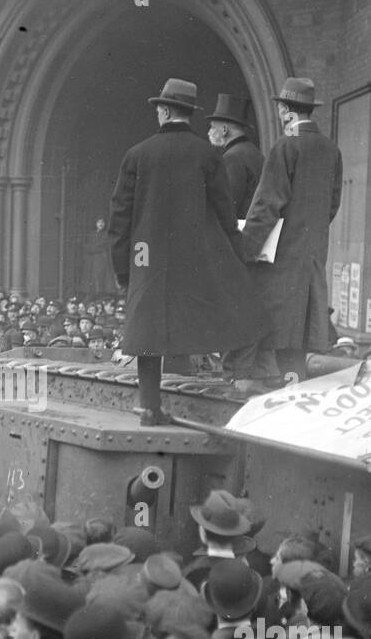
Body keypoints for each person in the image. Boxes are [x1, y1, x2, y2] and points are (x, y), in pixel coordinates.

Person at [107, 78, 266, 425]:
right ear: (188, 114)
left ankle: (148, 405)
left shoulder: (137, 154)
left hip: (145, 255)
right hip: (193, 259)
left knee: (147, 325)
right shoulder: (207, 154)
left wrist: (123, 268)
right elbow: (225, 213)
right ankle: (231, 386)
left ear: (163, 111)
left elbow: (119, 216)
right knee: (205, 315)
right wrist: (234, 258)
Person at [227, 77, 343, 393]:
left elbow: (266, 205)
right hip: (313, 258)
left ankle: (273, 400)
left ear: (285, 110)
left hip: (281, 262)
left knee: (275, 334)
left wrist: (245, 249)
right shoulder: (330, 149)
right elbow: (332, 204)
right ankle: (294, 396)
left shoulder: (286, 145)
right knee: (299, 342)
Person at [206, 94, 264, 220]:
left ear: (225, 129)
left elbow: (228, 206)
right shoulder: (255, 152)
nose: (209, 132)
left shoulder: (232, 157)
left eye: (212, 126)